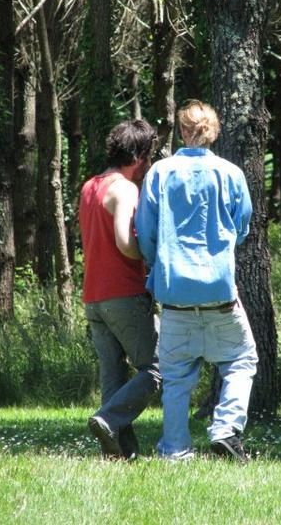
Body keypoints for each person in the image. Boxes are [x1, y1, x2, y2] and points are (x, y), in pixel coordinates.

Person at [135, 100, 258, 462]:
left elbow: (145, 233)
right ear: (213, 131)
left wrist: (159, 259)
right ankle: (225, 429)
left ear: (181, 130)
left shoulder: (159, 172)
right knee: (241, 360)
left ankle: (175, 450)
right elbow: (243, 226)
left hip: (174, 297)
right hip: (219, 293)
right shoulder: (231, 173)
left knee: (175, 379)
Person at [79, 119, 161, 460]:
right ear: (139, 156)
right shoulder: (125, 189)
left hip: (93, 297)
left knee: (112, 376)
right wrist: (152, 255)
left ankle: (119, 453)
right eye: (149, 157)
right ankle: (109, 419)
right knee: (157, 368)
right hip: (123, 293)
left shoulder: (89, 186)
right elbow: (126, 244)